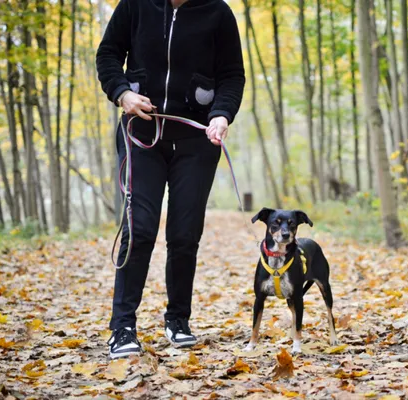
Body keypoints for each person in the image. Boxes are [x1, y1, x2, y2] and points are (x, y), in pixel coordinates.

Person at [96, 0, 245, 359]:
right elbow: (108, 55)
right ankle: (122, 328)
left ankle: (178, 321)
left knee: (184, 233)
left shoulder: (219, 13)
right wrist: (123, 93)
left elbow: (232, 76)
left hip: (196, 140)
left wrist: (222, 115)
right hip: (141, 133)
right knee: (140, 226)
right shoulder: (135, 5)